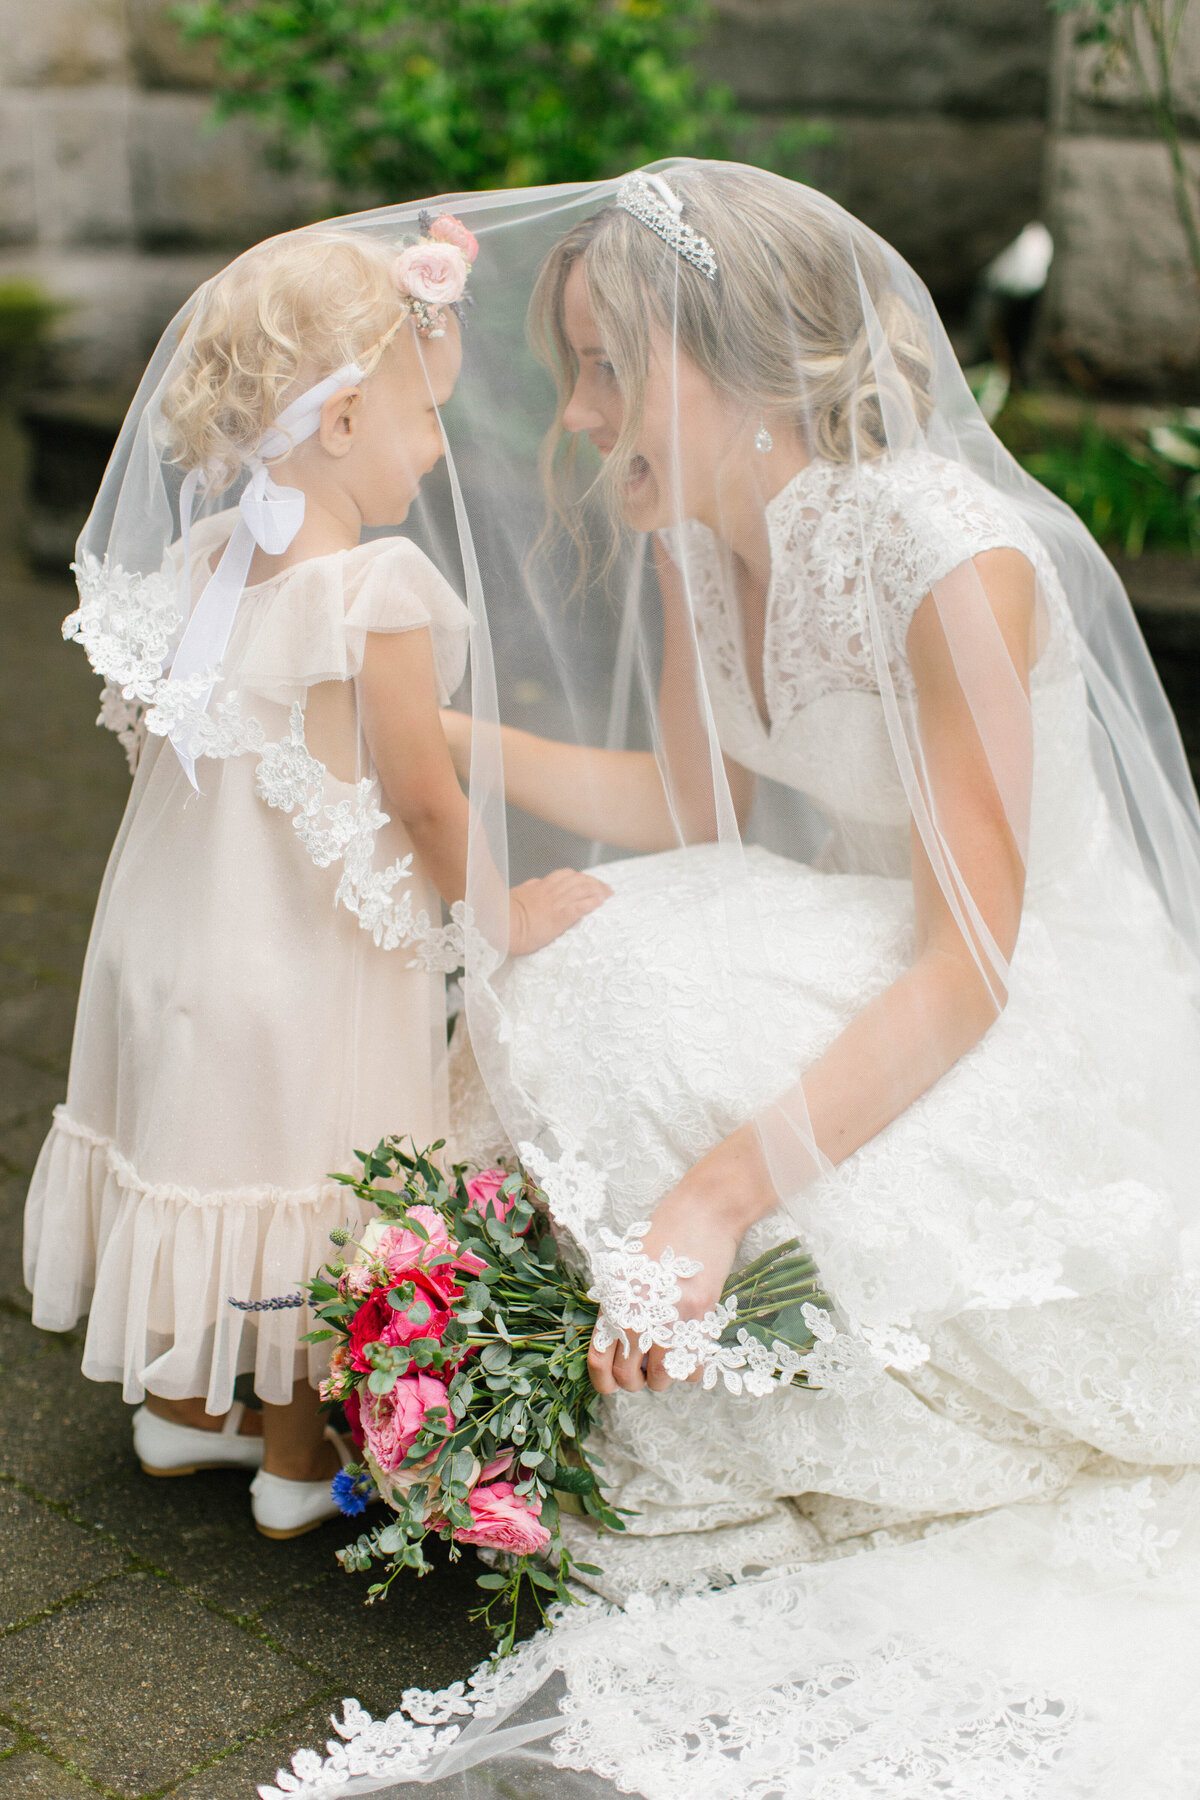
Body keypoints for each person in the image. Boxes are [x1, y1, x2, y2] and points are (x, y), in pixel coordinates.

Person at [264, 162, 1200, 1797]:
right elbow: (685, 807)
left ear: (745, 367)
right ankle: (576, 1369)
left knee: (620, 970)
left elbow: (973, 957)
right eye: (575, 364)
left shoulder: (948, 556)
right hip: (867, 941)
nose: (575, 407)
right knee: (571, 939)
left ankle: (707, 1361)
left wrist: (711, 1199)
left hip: (1008, 995)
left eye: (611, 364)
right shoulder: (708, 526)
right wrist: (420, 732)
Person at [22, 219, 608, 1541]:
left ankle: (186, 1410)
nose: (440, 449)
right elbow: (417, 794)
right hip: (305, 957)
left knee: (214, 1151)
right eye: (423, 417)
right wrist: (502, 915)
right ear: (341, 419)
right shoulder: (373, 592)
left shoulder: (211, 558)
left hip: (180, 934)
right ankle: (296, 1460)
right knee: (322, 1181)